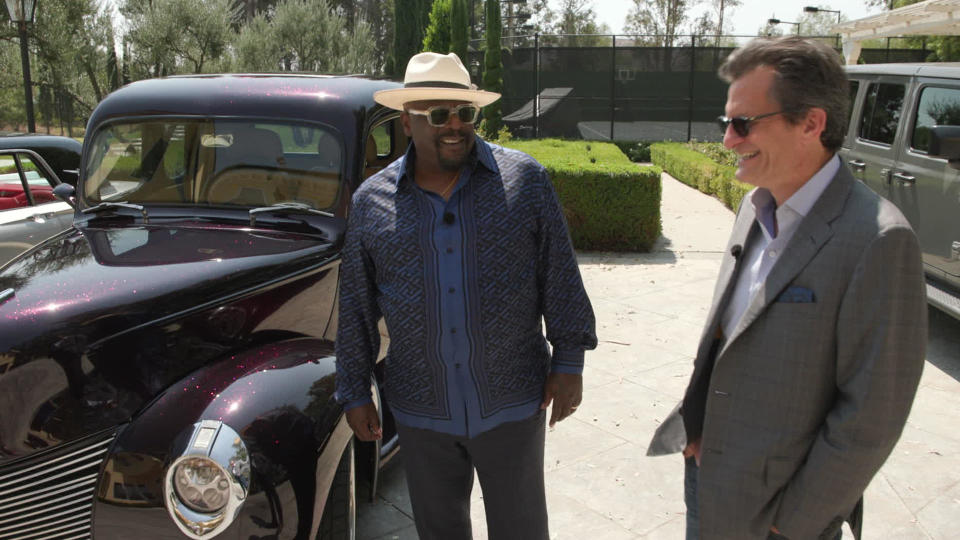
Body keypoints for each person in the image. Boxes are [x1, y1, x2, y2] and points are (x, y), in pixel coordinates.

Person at [648, 36, 928, 540]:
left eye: (743, 123)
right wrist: (698, 432)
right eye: (725, 124)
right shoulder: (752, 208)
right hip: (708, 483)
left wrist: (794, 523)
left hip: (778, 517)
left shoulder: (879, 240)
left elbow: (870, 418)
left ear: (812, 123)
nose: (729, 140)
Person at [335, 52, 597, 540]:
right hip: (420, 407)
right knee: (440, 531)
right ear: (408, 123)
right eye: (437, 115)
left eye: (465, 113)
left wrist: (570, 360)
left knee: (520, 529)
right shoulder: (372, 203)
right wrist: (353, 389)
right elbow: (355, 304)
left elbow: (558, 273)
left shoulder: (526, 181)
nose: (454, 125)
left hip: (512, 401)